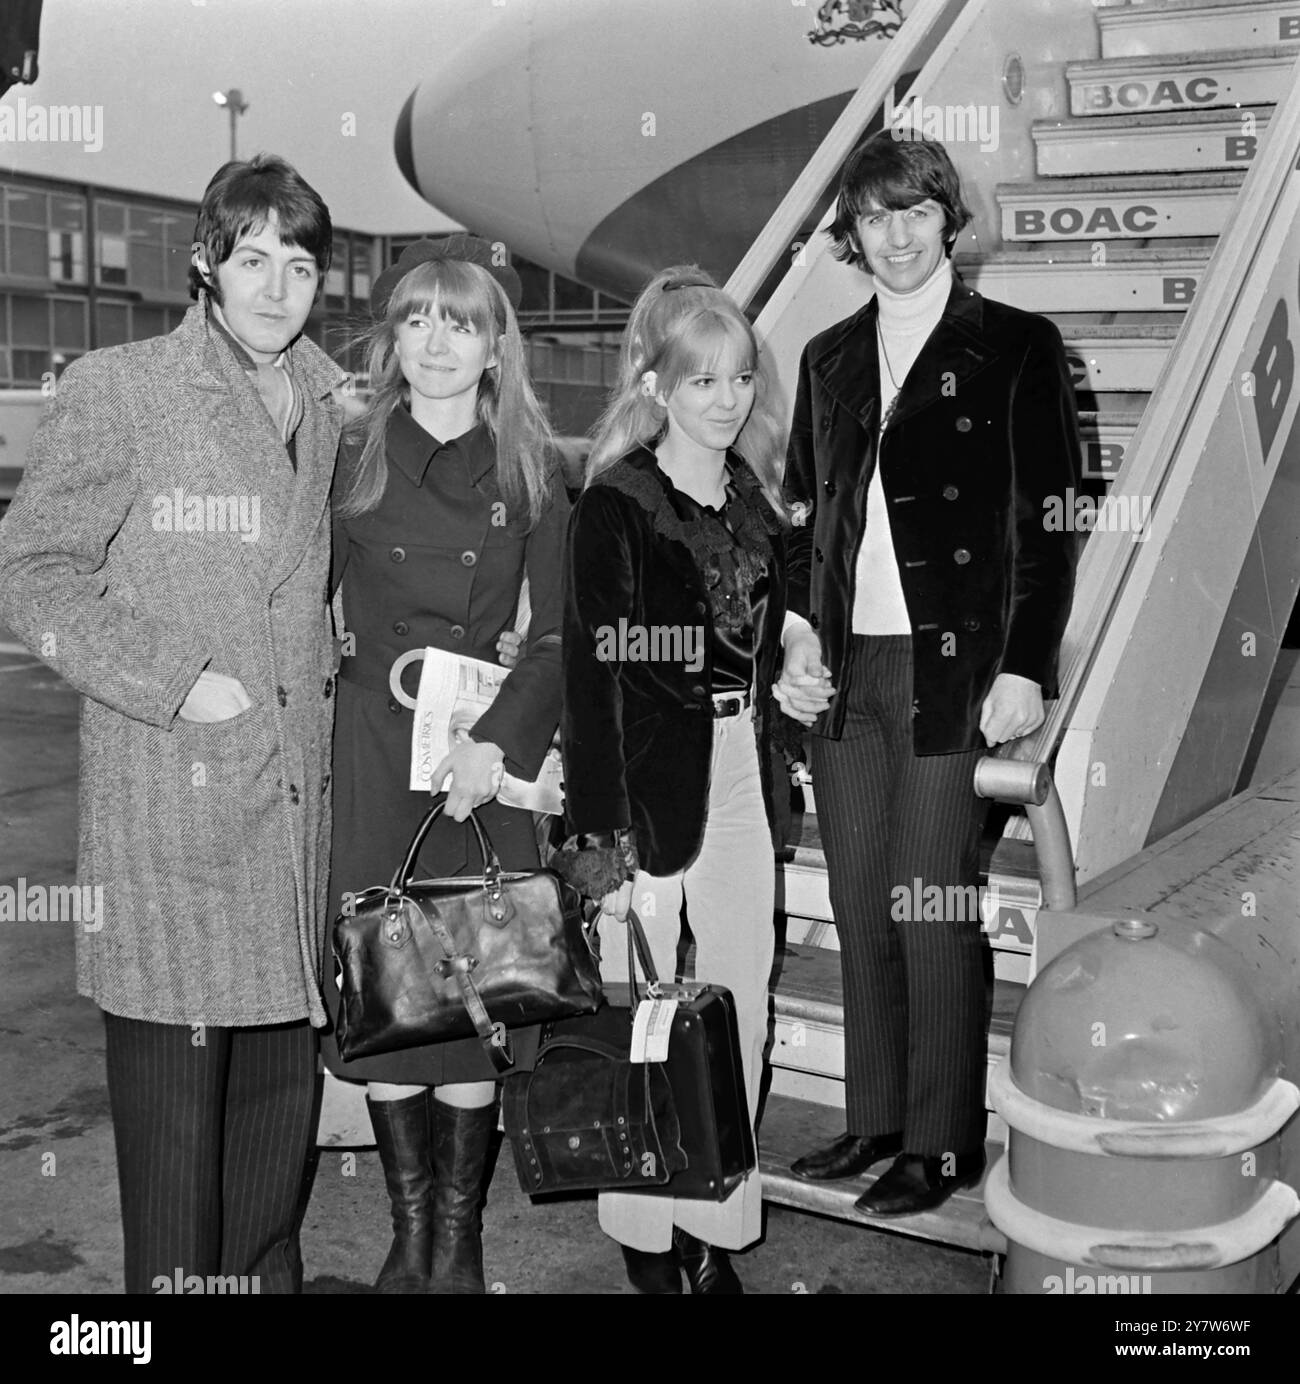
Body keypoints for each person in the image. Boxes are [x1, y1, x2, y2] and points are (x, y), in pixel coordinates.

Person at [0, 155, 346, 1292]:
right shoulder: (123, 386)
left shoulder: (331, 402)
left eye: (299, 263)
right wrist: (174, 677)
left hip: (288, 824)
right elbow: (32, 573)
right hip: (173, 821)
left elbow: (308, 577)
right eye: (253, 257)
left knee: (268, 1151)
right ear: (206, 263)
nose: (277, 285)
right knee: (175, 1173)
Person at [778, 132, 1080, 1215]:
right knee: (861, 901)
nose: (897, 237)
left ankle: (943, 1140)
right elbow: (803, 522)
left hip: (953, 667)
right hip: (847, 667)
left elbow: (1048, 523)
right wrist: (797, 638)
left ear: (947, 220)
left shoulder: (1015, 345)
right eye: (874, 219)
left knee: (929, 897)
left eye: (915, 214)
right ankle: (874, 1117)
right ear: (850, 235)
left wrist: (1026, 667)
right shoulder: (827, 357)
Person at [320, 236, 567, 1294]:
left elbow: (558, 633)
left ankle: (456, 1239)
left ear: (493, 346)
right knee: (387, 983)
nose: (433, 341)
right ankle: (409, 1227)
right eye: (415, 319)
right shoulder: (355, 449)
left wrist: (497, 743)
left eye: (457, 322)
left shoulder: (536, 466)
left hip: (479, 749)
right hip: (377, 743)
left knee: (473, 989)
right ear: (392, 337)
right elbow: (297, 595)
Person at [561, 267, 799, 1294]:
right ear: (657, 385)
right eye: (702, 380)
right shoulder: (616, 504)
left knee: (739, 1007)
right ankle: (646, 1239)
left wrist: (788, 658)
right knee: (645, 1020)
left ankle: (711, 1220)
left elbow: (757, 633)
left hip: (742, 764)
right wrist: (601, 845)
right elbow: (592, 672)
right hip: (648, 779)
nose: (726, 398)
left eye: (740, 377)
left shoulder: (750, 494)